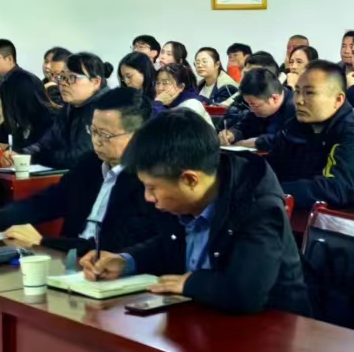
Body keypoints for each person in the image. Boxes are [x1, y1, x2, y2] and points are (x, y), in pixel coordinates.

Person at [80, 111, 310, 315]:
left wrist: (191, 284)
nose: (148, 197)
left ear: (190, 180)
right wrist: (126, 261)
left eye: (152, 188)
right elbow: (171, 243)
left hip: (270, 331)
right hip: (201, 319)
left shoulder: (256, 203)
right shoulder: (182, 198)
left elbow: (247, 292)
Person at [0, 87, 177, 259]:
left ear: (138, 135)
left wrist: (43, 242)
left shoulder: (149, 181)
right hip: (69, 262)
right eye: (93, 131)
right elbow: (48, 201)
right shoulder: (90, 163)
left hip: (108, 271)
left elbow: (115, 247)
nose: (96, 141)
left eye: (105, 134)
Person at [261, 60, 354, 214]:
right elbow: (272, 169)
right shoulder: (294, 127)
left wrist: (271, 190)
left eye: (309, 93)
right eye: (297, 91)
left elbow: (337, 190)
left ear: (338, 99)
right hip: (306, 216)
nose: (298, 100)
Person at [30, 51, 110, 170]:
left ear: (95, 82)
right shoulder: (70, 105)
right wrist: (19, 154)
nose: (63, 83)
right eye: (62, 77)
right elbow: (47, 142)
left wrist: (36, 157)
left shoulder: (105, 109)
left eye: (72, 77)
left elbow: (82, 157)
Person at [0, 38, 53, 147]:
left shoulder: (23, 81)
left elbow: (36, 123)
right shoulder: (6, 83)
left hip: (37, 148)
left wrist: (17, 147)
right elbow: (9, 124)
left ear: (10, 59)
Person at [220, 67, 296, 146]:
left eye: (253, 105)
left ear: (274, 98)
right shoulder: (257, 106)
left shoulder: (296, 108)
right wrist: (232, 134)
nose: (251, 109)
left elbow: (289, 139)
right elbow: (244, 126)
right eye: (248, 104)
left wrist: (257, 142)